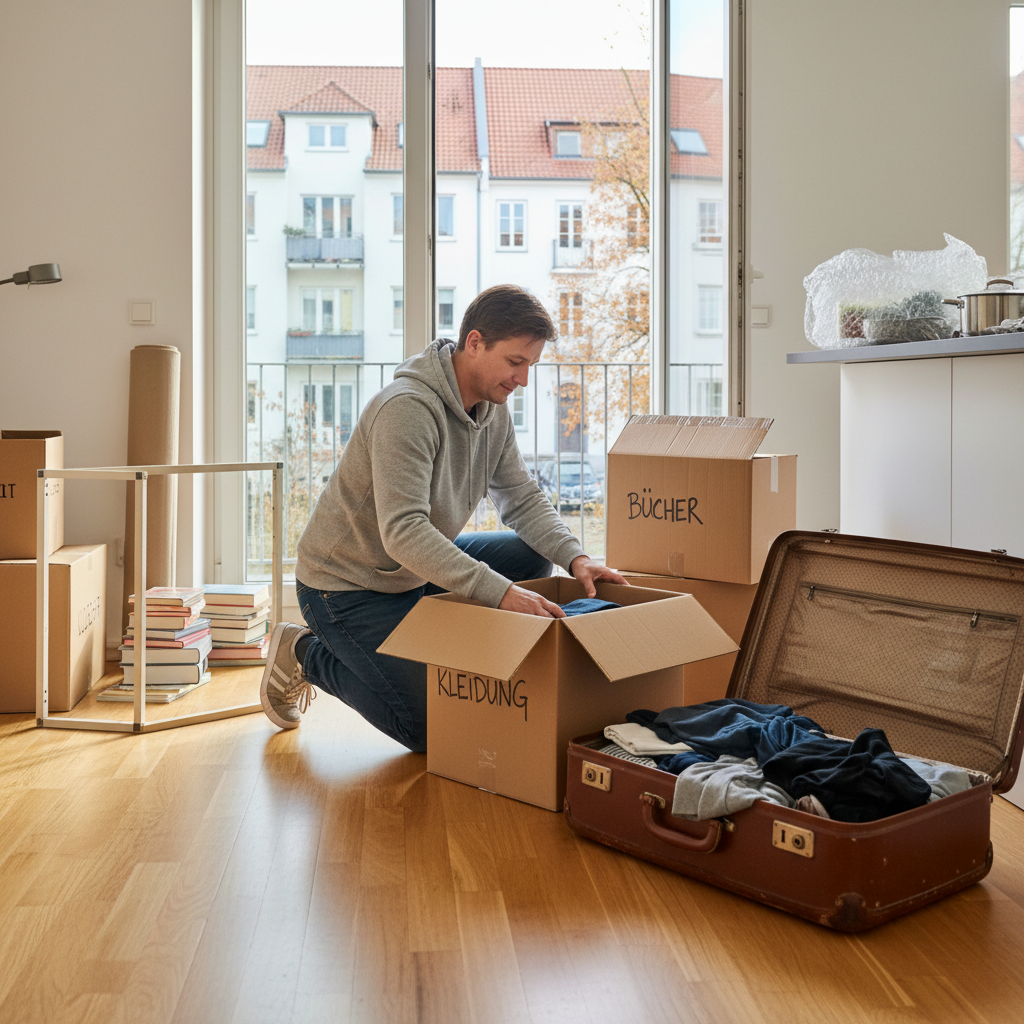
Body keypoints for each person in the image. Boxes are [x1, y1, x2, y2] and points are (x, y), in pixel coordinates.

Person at [259, 283, 626, 749]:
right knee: (430, 728)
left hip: (408, 574)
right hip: (347, 585)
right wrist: (498, 592)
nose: (523, 381)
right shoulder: (407, 410)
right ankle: (302, 651)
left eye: (530, 366)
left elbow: (521, 497)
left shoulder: (493, 411)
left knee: (532, 559)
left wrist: (577, 558)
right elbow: (404, 533)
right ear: (475, 343)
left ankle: (470, 666)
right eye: (516, 362)